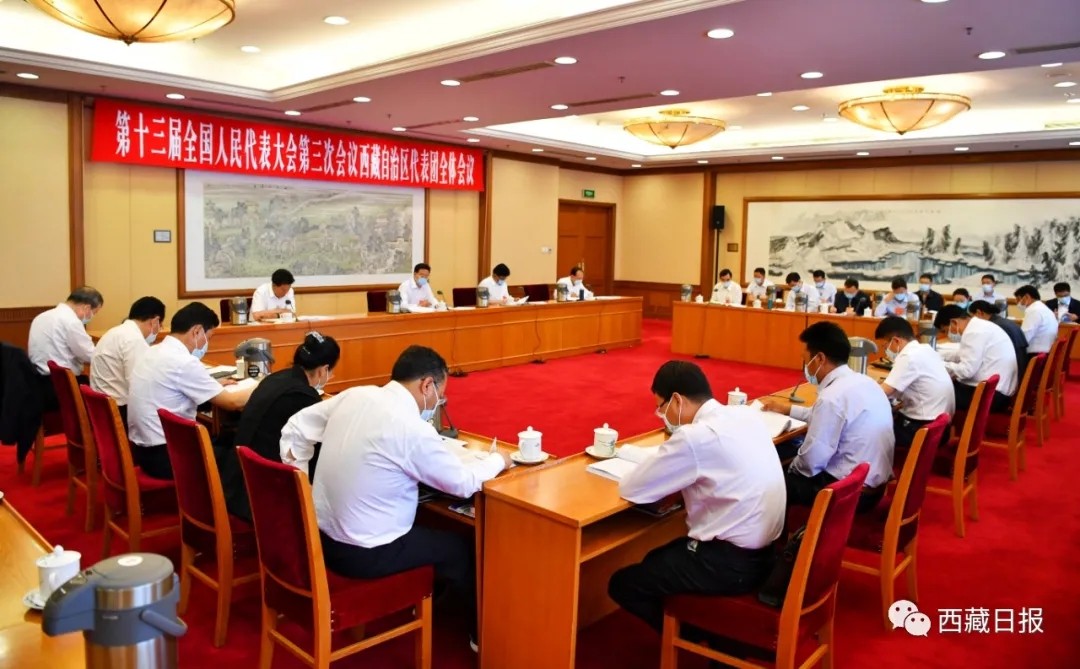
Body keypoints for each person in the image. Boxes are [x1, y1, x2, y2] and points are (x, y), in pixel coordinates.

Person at [279, 345, 510, 650]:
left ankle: (428, 601)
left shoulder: (355, 395)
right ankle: (481, 639)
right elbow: (463, 483)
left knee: (431, 526)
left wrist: (302, 488)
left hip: (321, 538)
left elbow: (295, 427)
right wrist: (499, 460)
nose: (437, 403)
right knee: (460, 548)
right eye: (439, 396)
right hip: (364, 553)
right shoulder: (410, 428)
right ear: (427, 385)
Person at [607, 361, 784, 634]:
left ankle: (695, 636)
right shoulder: (745, 416)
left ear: (677, 400)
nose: (662, 415)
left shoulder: (695, 436)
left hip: (730, 566)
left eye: (661, 407)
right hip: (768, 555)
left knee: (623, 583)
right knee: (657, 559)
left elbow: (632, 489)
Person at [761, 321, 894, 512]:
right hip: (872, 486)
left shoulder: (832, 397)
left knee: (769, 478)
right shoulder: (865, 382)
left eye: (806, 360)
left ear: (819, 358)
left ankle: (781, 531)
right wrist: (787, 409)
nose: (806, 366)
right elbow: (824, 416)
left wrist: (789, 466)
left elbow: (811, 463)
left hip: (849, 495)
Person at [221, 332, 340, 521]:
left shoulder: (275, 378)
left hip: (235, 483)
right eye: (331, 371)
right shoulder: (304, 397)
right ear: (323, 370)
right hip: (260, 500)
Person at [127, 303, 254, 480]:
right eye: (208, 337)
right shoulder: (183, 361)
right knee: (241, 457)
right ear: (197, 331)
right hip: (168, 457)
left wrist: (210, 385)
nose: (207, 344)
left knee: (223, 441)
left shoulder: (153, 351)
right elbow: (233, 402)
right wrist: (259, 385)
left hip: (143, 451)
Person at [875, 317, 955, 456]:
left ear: (896, 341)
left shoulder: (908, 356)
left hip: (922, 430)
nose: (886, 351)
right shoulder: (925, 349)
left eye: (885, 346)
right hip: (941, 427)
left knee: (869, 428)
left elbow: (883, 392)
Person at [90, 296, 166, 426]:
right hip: (119, 413)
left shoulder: (115, 332)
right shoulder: (133, 340)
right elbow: (139, 385)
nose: (160, 329)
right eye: (161, 325)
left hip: (102, 409)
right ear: (155, 321)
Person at [28, 286, 104, 410]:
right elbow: (90, 355)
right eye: (94, 313)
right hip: (63, 387)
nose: (91, 317)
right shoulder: (71, 321)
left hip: (38, 382)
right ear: (87, 308)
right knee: (101, 396)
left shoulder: (41, 317)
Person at [933, 305, 1017, 413]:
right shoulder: (978, 326)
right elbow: (963, 354)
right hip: (997, 392)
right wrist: (938, 355)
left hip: (992, 396)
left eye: (945, 331)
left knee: (935, 390)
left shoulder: (973, 332)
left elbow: (966, 371)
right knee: (945, 384)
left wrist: (937, 364)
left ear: (954, 322)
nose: (947, 335)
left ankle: (939, 423)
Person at [969, 300, 1028, 382]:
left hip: (1012, 371)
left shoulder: (993, 326)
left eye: (972, 317)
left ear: (979, 313)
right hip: (1020, 364)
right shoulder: (1002, 321)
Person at [1014, 285, 1059, 355]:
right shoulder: (1044, 308)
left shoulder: (1034, 310)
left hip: (1035, 355)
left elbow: (1024, 338)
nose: (1017, 303)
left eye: (1018, 300)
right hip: (1045, 353)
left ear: (1027, 297)